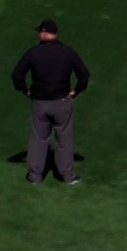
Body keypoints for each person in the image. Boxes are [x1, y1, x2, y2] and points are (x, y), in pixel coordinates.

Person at [11, 19, 90, 186]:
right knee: (64, 139)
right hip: (62, 102)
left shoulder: (33, 53)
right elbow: (84, 75)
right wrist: (76, 91)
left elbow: (17, 75)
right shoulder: (68, 52)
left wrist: (26, 90)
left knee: (39, 139)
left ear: (43, 33)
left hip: (40, 103)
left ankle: (35, 177)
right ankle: (68, 176)